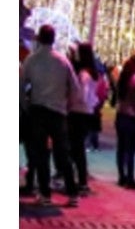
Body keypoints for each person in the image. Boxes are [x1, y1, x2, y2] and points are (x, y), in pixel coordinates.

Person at [19, 24, 80, 207]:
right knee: (63, 154)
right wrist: (67, 105)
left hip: (38, 110)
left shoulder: (31, 60)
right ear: (53, 39)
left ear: (38, 39)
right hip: (58, 111)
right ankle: (72, 193)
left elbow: (20, 88)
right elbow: (75, 89)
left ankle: (45, 194)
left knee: (41, 153)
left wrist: (26, 106)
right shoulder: (63, 61)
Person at [66, 43, 98, 196]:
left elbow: (82, 95)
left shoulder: (84, 75)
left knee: (76, 148)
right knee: (77, 148)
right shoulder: (90, 73)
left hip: (78, 112)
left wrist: (71, 101)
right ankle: (79, 179)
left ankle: (80, 181)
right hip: (85, 113)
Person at [115, 55, 135, 189]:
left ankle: (121, 176)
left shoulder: (122, 79)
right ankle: (130, 178)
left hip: (120, 115)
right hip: (131, 116)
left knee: (121, 148)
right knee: (131, 149)